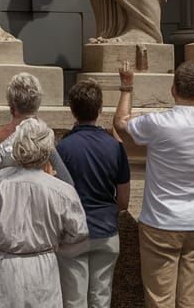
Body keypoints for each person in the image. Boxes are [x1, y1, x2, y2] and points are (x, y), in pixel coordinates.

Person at [113, 60, 194, 308]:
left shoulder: (158, 123)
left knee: (160, 300)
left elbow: (120, 124)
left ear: (173, 90)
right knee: (191, 301)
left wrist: (127, 86)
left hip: (161, 222)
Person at [0, 117, 88, 308]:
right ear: (47, 151)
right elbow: (78, 236)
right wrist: (54, 249)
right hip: (42, 271)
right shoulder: (63, 192)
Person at [57, 79, 131, 308]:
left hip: (73, 231)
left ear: (71, 109)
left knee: (73, 299)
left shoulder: (62, 148)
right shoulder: (115, 147)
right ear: (100, 109)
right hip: (106, 228)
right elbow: (124, 200)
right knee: (101, 297)